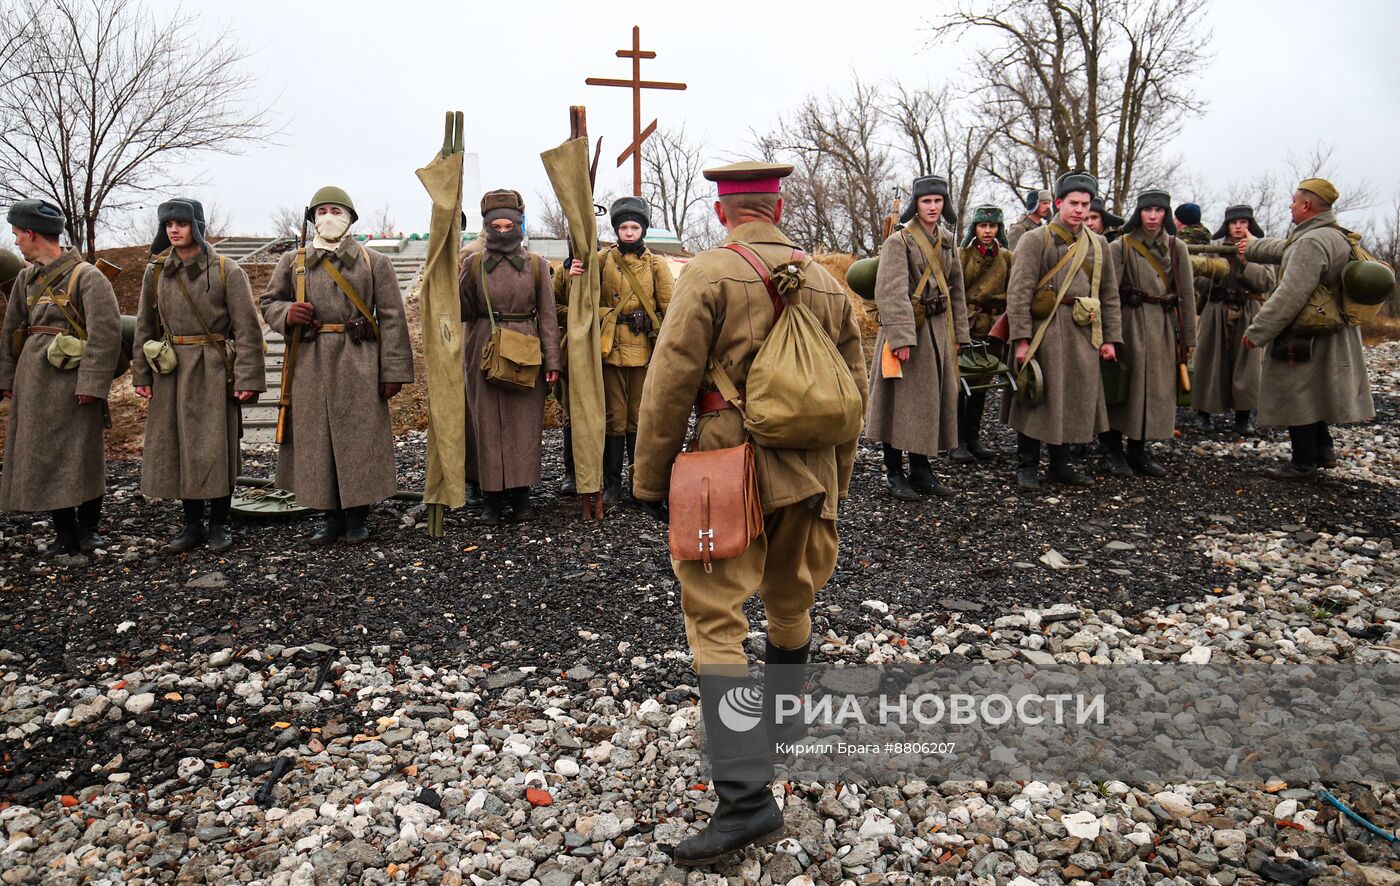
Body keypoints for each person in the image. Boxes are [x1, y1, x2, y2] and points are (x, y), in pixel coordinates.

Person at [632, 161, 867, 866]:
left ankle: (746, 801)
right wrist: (840, 482)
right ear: (781, 205)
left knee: (714, 618)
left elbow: (669, 379)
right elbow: (853, 392)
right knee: (791, 598)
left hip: (729, 468)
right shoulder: (827, 280)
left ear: (721, 212)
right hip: (813, 470)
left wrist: (649, 481)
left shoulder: (707, 274)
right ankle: (785, 733)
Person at [260, 186, 414, 544]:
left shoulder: (375, 262)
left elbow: (392, 318)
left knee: (360, 438)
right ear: (313, 218)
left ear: (350, 218)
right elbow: (269, 302)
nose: (329, 216)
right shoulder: (293, 261)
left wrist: (393, 371)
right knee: (316, 440)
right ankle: (328, 516)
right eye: (322, 210)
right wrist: (287, 313)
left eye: (337, 210)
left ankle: (358, 516)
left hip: (359, 358)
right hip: (310, 360)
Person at [132, 199, 266, 553]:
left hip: (213, 368)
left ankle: (220, 523)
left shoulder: (226, 269)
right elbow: (145, 325)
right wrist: (141, 373)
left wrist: (248, 378)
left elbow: (248, 330)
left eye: (181, 223)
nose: (174, 230)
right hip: (171, 369)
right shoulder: (156, 271)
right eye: (168, 224)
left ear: (197, 226)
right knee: (179, 446)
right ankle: (192, 524)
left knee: (216, 445)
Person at [0, 199, 122, 554]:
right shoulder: (26, 277)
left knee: (82, 453)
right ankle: (64, 532)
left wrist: (92, 385)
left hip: (73, 379)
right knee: (45, 453)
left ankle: (89, 531)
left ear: (32, 233)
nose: (16, 241)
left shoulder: (88, 276)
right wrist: (7, 379)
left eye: (18, 234)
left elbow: (105, 336)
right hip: (35, 381)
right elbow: (11, 330)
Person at [1241, 178, 1375, 481]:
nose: (1290, 205)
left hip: (1306, 334)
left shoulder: (1311, 241)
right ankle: (1323, 449)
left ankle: (1302, 464)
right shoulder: (1333, 235)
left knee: (1297, 391)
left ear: (1306, 205)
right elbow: (1286, 249)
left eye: (1293, 200)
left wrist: (1258, 331)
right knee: (1313, 392)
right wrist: (1251, 247)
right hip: (1328, 330)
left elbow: (1290, 293)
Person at [1004, 172, 1121, 489]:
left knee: (1071, 398)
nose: (1080, 210)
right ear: (1058, 203)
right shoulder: (1035, 240)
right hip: (1045, 330)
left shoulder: (1098, 245)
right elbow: (1019, 292)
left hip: (1083, 332)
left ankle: (1061, 464)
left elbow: (1108, 294)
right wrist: (1022, 340)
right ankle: (1027, 466)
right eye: (1073, 203)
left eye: (1085, 204)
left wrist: (1110, 338)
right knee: (1035, 394)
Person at [460, 189, 562, 524]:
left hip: (526, 351)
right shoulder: (472, 264)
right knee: (485, 424)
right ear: (487, 227)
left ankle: (521, 497)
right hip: (483, 350)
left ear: (519, 224)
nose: (503, 231)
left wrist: (552, 362)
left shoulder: (536, 265)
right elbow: (461, 310)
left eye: (510, 225)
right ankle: (491, 499)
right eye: (496, 226)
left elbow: (548, 315)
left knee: (524, 424)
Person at [566, 196, 673, 504]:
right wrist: (571, 271)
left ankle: (641, 483)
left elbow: (669, 308)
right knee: (614, 417)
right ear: (616, 229)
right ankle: (612, 484)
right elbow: (581, 296)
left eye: (634, 227)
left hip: (644, 351)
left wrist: (665, 347)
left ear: (643, 230)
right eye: (623, 227)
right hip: (610, 349)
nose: (628, 233)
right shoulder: (601, 260)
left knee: (640, 419)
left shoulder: (656, 264)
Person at [866, 175, 968, 499]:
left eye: (938, 201)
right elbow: (890, 291)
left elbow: (957, 292)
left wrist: (959, 334)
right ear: (917, 204)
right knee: (897, 403)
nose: (933, 207)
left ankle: (922, 471)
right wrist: (901, 339)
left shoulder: (948, 241)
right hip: (908, 331)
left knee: (927, 404)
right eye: (927, 201)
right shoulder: (899, 242)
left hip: (937, 330)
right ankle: (894, 473)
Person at [1100, 190, 1196, 477]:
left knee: (1155, 390)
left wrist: (1188, 339)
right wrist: (1111, 336)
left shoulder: (1177, 248)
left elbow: (1186, 295)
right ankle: (1113, 450)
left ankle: (1138, 451)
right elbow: (1109, 294)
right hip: (1130, 324)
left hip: (1164, 326)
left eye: (1158, 210)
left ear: (1166, 214)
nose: (1153, 216)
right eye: (1147, 210)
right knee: (1124, 388)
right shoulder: (1121, 246)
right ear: (1138, 213)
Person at [1191, 204, 1274, 435]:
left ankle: (1243, 416)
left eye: (1243, 222)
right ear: (1227, 225)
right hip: (1216, 308)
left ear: (1250, 225)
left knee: (1247, 363)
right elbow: (1198, 282)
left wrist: (1247, 260)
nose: (1238, 227)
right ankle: (1203, 413)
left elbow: (1267, 282)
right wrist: (1215, 269)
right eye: (1234, 222)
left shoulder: (1261, 248)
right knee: (1209, 360)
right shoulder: (1213, 248)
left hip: (1248, 309)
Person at [951, 204, 1012, 464]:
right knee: (960, 383)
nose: (987, 231)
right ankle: (956, 441)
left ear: (999, 229)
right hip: (968, 324)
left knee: (982, 384)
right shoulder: (961, 255)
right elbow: (954, 291)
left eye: (993, 226)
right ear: (974, 228)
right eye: (983, 226)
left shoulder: (1008, 257)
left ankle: (973, 437)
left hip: (993, 327)